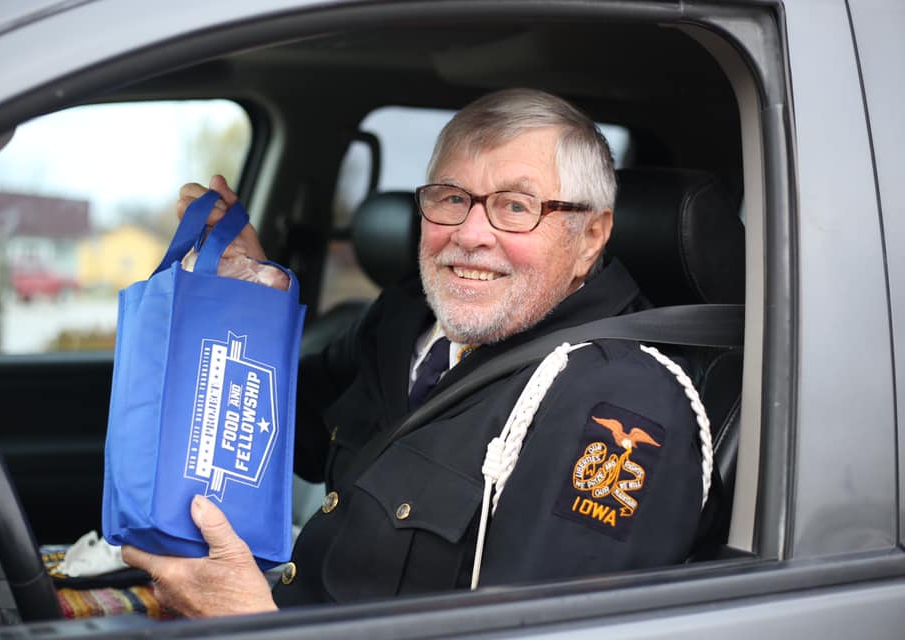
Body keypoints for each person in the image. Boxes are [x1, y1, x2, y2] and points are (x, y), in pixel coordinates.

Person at [123, 88, 712, 617]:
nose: (471, 233)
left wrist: (249, 623)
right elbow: (276, 440)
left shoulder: (618, 403)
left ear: (591, 237)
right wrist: (250, 304)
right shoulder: (403, 320)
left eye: (516, 206)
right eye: (453, 197)